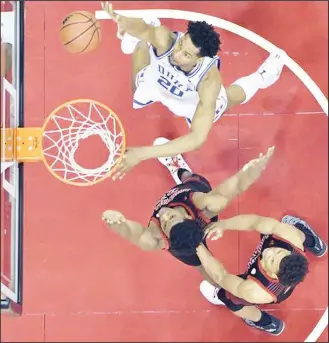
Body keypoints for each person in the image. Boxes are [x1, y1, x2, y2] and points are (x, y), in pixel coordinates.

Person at [101, 2, 286, 180]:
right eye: (181, 44)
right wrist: (123, 21)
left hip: (190, 102)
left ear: (199, 59)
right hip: (157, 82)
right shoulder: (166, 40)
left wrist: (142, 153)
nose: (177, 54)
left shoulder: (208, 81)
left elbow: (197, 138)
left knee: (228, 101)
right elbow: (143, 30)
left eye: (186, 55)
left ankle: (262, 77)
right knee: (137, 80)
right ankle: (144, 35)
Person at [102, 136, 275, 284]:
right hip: (189, 206)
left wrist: (117, 222)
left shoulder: (159, 236)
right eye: (171, 218)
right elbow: (237, 185)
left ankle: (182, 172)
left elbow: (236, 185)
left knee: (201, 262)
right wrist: (255, 170)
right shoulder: (201, 207)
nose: (164, 217)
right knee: (188, 179)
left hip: (191, 216)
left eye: (166, 223)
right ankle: (180, 170)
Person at [185, 213, 328, 335]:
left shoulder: (254, 290)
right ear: (290, 252)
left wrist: (197, 245)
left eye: (271, 260)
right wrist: (223, 224)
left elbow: (221, 277)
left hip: (268, 291)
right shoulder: (288, 237)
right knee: (295, 232)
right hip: (284, 271)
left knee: (230, 298)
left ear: (275, 275)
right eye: (278, 251)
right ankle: (315, 243)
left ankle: (266, 323)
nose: (269, 252)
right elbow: (255, 222)